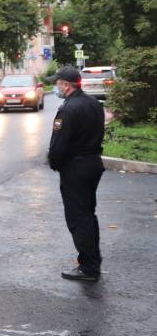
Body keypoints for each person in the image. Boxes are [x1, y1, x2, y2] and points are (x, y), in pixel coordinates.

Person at [47, 65, 106, 282]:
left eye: (57, 83)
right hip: (93, 163)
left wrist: (54, 162)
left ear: (65, 84)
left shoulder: (68, 109)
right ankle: (93, 261)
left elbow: (59, 145)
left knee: (78, 218)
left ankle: (89, 267)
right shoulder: (94, 104)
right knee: (88, 214)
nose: (56, 86)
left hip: (75, 168)